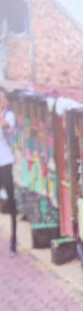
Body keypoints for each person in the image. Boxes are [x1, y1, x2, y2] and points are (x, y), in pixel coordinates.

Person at [1, 92, 15, 255]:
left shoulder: (9, 116)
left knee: (11, 202)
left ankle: (13, 242)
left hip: (5, 162)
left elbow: (6, 127)